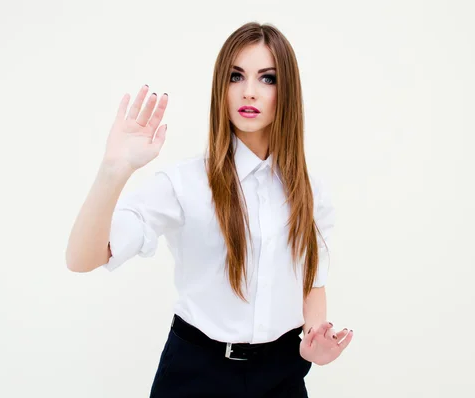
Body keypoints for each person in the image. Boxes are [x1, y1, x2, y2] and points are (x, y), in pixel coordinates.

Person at [66, 21, 353, 397]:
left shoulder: (310, 189)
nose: (249, 92)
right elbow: (83, 258)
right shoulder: (184, 184)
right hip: (196, 375)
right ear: (221, 87)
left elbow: (312, 280)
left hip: (281, 375)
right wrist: (113, 170)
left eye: (267, 79)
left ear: (287, 92)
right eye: (236, 76)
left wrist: (313, 339)